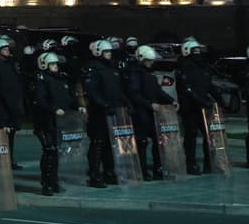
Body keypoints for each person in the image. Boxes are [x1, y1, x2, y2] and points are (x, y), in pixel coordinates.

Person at [33, 51, 81, 196]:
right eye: (52, 64)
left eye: (56, 64)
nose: (55, 67)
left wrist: (77, 106)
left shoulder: (61, 79)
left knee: (56, 151)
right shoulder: (41, 79)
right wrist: (53, 109)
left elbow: (69, 97)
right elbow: (40, 100)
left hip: (60, 122)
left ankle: (53, 180)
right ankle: (46, 183)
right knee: (50, 150)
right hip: (45, 121)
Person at [125, 45, 173, 181]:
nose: (151, 63)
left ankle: (158, 169)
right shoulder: (135, 73)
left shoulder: (148, 74)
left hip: (151, 112)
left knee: (158, 141)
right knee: (142, 142)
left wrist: (171, 100)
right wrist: (149, 104)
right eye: (148, 60)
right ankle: (142, 170)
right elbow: (134, 94)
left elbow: (157, 90)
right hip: (141, 112)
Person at [82, 39, 124, 187]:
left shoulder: (111, 68)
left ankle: (109, 173)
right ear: (99, 52)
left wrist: (124, 104)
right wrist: (103, 105)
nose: (109, 54)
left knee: (109, 144)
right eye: (106, 52)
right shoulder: (93, 68)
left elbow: (117, 90)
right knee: (97, 143)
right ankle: (94, 175)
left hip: (112, 112)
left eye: (110, 52)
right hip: (98, 113)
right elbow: (92, 92)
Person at [177, 38, 217, 175]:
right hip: (189, 108)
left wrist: (221, 101)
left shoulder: (203, 67)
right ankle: (190, 163)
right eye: (195, 51)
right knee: (191, 136)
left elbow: (209, 85)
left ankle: (208, 163)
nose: (198, 54)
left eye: (199, 51)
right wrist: (202, 101)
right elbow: (187, 90)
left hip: (202, 107)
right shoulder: (184, 68)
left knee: (208, 135)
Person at [0, 37, 24, 170]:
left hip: (11, 104)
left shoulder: (10, 63)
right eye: (4, 48)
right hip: (1, 105)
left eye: (7, 48)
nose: (7, 50)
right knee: (1, 134)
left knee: (11, 134)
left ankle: (9, 160)